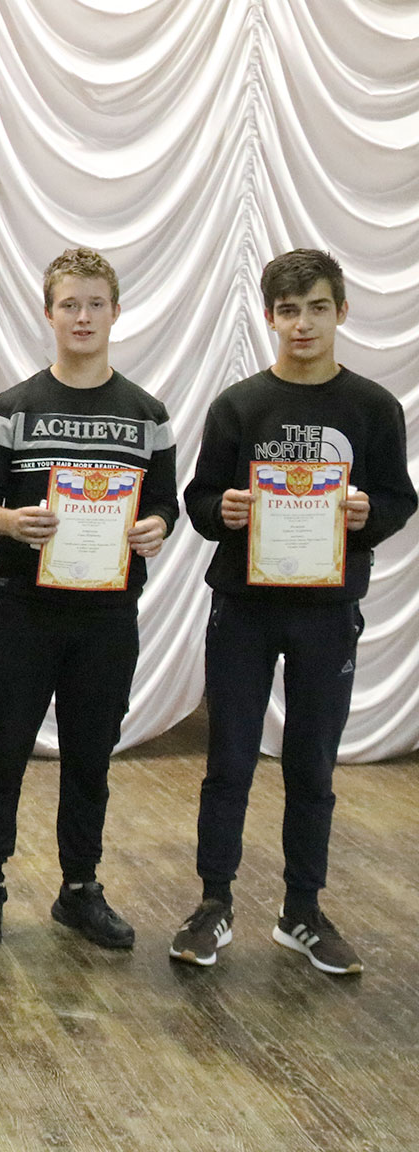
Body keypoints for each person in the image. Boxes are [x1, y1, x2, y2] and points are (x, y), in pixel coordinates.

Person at [170, 248, 414, 975]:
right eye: (287, 310)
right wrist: (224, 508)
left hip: (327, 611)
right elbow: (199, 499)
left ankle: (302, 910)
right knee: (230, 759)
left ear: (341, 312)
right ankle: (213, 903)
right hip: (244, 607)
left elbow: (398, 499)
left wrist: (370, 516)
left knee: (312, 764)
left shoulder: (372, 407)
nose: (301, 323)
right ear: (269, 317)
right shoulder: (239, 405)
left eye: (316, 308)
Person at [0, 248, 178, 950]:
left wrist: (155, 527)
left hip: (108, 615)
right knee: (4, 751)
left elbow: (166, 503)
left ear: (116, 311)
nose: (83, 317)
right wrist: (8, 520)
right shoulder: (10, 409)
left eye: (95, 304)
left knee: (91, 757)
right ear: (48, 313)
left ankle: (79, 888)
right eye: (70, 305)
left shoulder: (148, 414)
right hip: (25, 608)